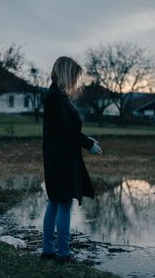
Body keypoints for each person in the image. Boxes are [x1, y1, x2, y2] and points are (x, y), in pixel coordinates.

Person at [41, 56, 102, 262]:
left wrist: (86, 139)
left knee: (55, 202)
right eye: (75, 76)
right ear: (66, 73)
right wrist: (88, 144)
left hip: (58, 157)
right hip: (61, 158)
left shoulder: (57, 96)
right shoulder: (55, 98)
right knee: (63, 203)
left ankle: (49, 250)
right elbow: (66, 130)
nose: (76, 81)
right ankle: (63, 254)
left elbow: (67, 129)